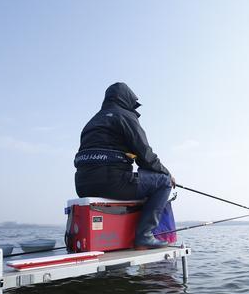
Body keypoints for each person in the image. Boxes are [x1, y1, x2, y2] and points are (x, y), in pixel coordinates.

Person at [74, 82, 175, 249]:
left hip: (83, 186)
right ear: (126, 99)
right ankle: (144, 236)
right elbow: (145, 156)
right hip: (112, 183)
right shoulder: (125, 116)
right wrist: (167, 173)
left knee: (144, 180)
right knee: (163, 181)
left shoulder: (92, 122)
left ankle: (123, 233)